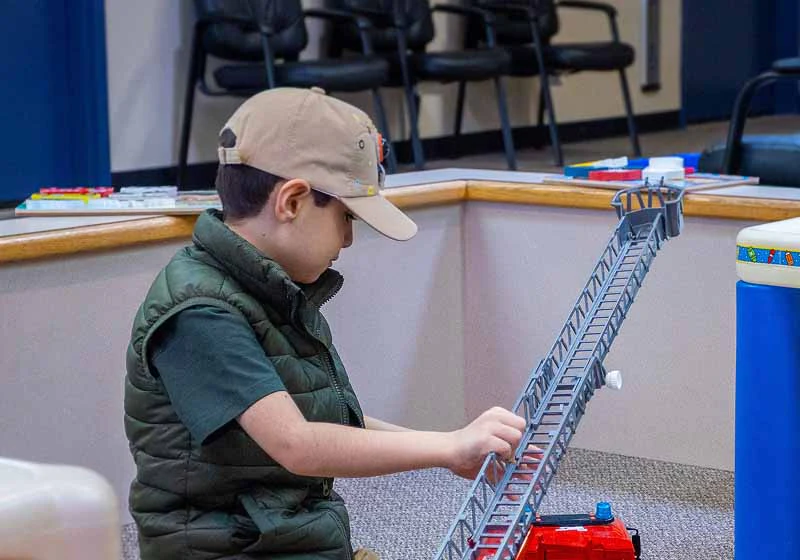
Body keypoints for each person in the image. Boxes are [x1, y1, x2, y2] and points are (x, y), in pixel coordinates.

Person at [124, 86, 526, 560]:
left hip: (284, 539)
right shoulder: (200, 314)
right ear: (292, 200)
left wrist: (452, 448)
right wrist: (446, 447)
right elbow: (297, 443)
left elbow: (326, 423)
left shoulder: (264, 289)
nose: (350, 239)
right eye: (344, 216)